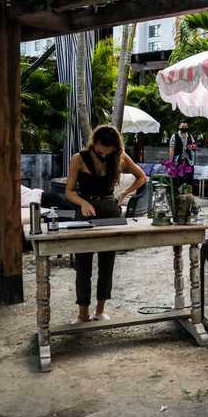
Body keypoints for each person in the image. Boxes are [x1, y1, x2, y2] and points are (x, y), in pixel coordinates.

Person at [65, 124, 148, 323]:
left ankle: (100, 311)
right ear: (94, 142)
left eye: (108, 149)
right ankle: (82, 314)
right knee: (83, 263)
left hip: (111, 211)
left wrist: (124, 194)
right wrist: (83, 202)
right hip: (86, 212)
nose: (103, 152)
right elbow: (68, 192)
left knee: (107, 263)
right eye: (101, 147)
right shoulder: (79, 158)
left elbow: (142, 177)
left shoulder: (120, 157)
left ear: (115, 147)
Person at [168, 121, 196, 185]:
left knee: (189, 177)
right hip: (178, 160)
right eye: (183, 126)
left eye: (186, 127)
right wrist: (171, 161)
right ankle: (178, 193)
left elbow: (193, 147)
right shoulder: (174, 136)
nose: (184, 128)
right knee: (179, 177)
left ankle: (188, 193)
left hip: (188, 161)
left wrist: (189, 147)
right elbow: (171, 149)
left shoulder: (190, 136)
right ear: (179, 127)